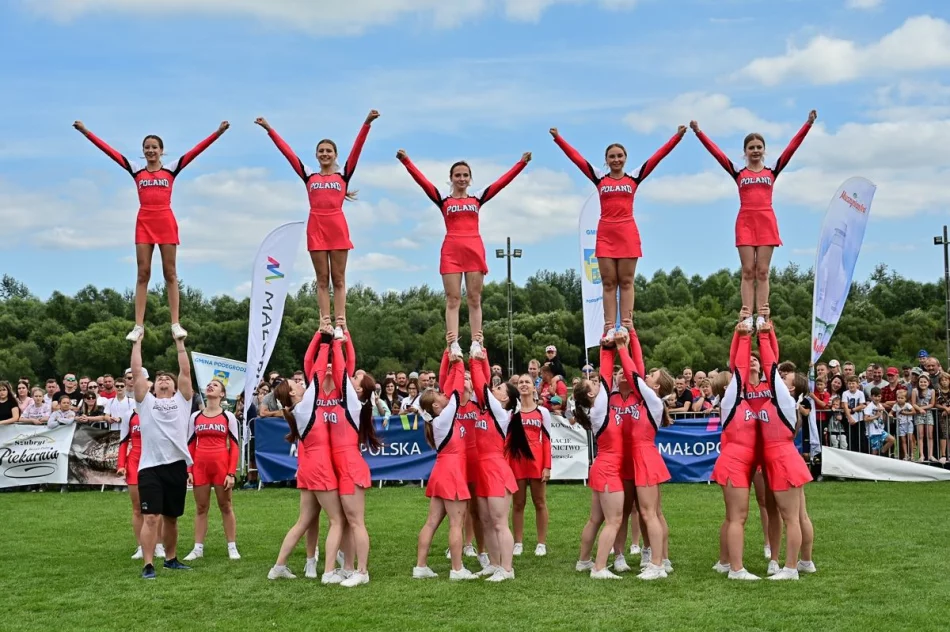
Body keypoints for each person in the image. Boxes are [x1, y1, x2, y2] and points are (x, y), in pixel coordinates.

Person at [73, 120, 229, 342]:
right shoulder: (136, 171)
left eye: (154, 147)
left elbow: (196, 151)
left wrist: (218, 133)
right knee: (143, 272)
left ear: (161, 151)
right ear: (143, 151)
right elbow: (109, 151)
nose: (150, 150)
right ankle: (138, 326)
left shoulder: (171, 169)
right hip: (144, 220)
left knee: (170, 273)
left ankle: (175, 323)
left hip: (165, 220)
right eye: (147, 147)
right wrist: (86, 132)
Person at [397, 148, 531, 357]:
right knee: (453, 299)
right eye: (457, 175)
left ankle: (477, 342)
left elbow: (501, 183)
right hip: (451, 251)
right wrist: (406, 161)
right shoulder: (443, 200)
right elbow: (422, 181)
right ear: (451, 178)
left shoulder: (477, 199)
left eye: (465, 175)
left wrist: (521, 164)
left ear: (470, 179)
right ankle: (453, 344)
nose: (461, 178)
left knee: (474, 299)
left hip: (474, 249)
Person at [550, 126, 685, 333]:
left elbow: (658, 157)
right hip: (605, 233)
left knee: (627, 281)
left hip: (627, 232)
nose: (616, 160)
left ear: (625, 158)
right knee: (609, 282)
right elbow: (577, 159)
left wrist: (676, 137)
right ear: (606, 160)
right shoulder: (599, 178)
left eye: (620, 156)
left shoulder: (634, 177)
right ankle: (610, 325)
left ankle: (627, 323)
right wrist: (559, 139)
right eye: (612, 157)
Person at [255, 111, 379, 330]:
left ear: (335, 155)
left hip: (337, 227)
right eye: (321, 151)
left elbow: (357, 149)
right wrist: (269, 129)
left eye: (328, 151)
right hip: (316, 228)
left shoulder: (343, 175)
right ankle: (325, 322)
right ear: (316, 155)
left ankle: (341, 322)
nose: (325, 154)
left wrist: (367, 123)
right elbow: (288, 153)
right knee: (322, 279)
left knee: (338, 279)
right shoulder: (309, 176)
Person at [689, 111, 816, 323]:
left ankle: (762, 313)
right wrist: (699, 132)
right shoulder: (739, 172)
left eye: (759, 147)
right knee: (748, 270)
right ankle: (747, 312)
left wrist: (808, 124)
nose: (755, 151)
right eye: (751, 148)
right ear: (745, 152)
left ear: (764, 150)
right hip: (746, 222)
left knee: (763, 271)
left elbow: (792, 148)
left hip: (766, 221)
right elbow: (717, 153)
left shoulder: (772, 170)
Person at [269, 327, 347, 584]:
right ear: (292, 392)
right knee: (337, 519)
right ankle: (329, 572)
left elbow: (312, 370)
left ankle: (279, 566)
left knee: (304, 521)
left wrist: (320, 337)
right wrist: (327, 342)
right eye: (296, 384)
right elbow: (314, 370)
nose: (301, 383)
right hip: (319, 467)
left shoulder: (300, 408)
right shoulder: (305, 406)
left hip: (309, 466)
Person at [131, 335, 195, 579]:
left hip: (176, 466)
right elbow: (137, 373)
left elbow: (185, 371)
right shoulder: (145, 402)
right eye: (159, 379)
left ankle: (171, 559)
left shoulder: (183, 401)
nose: (164, 381)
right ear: (153, 387)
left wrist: (180, 343)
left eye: (167, 378)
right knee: (151, 517)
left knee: (171, 518)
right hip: (150, 467)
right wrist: (137, 342)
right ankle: (148, 564)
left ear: (175, 387)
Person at [754, 316, 813, 580]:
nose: (778, 377)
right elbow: (771, 366)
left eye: (784, 378)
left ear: (791, 387)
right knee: (796, 515)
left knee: (792, 517)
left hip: (782, 460)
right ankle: (803, 562)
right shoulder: (780, 400)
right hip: (778, 458)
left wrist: (764, 333)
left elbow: (770, 363)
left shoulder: (786, 402)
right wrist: (768, 331)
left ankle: (791, 568)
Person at [614, 329, 676, 580]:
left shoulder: (651, 399)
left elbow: (632, 372)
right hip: (641, 457)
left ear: (656, 385)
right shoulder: (645, 399)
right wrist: (632, 335)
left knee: (650, 513)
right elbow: (636, 368)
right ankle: (662, 559)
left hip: (645, 457)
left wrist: (621, 347)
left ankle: (657, 564)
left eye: (651, 375)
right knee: (653, 513)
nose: (646, 375)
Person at [468, 332, 530, 581]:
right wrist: (482, 355)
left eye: (500, 388)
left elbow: (480, 383)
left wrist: (476, 358)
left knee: (498, 522)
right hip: (483, 470)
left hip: (495, 470)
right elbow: (483, 385)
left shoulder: (501, 415)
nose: (495, 388)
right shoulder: (487, 410)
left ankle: (507, 568)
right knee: (484, 520)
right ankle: (494, 564)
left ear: (505, 398)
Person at [414, 347, 480, 581]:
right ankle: (457, 568)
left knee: (432, 522)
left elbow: (449, 386)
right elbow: (454, 388)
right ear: (436, 406)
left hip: (442, 471)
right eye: (439, 396)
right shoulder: (445, 415)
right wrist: (458, 360)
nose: (443, 394)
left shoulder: (438, 419)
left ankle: (420, 566)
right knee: (456, 522)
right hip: (451, 472)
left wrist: (449, 360)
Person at [327, 329, 381, 587]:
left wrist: (340, 342)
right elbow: (344, 370)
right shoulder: (350, 400)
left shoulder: (352, 402)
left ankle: (362, 571)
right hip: (342, 463)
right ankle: (348, 567)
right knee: (347, 522)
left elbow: (340, 370)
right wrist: (346, 335)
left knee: (356, 521)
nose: (354, 374)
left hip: (349, 465)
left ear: (360, 390)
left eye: (358, 377)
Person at [710, 310, 761, 580]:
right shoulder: (731, 400)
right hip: (734, 462)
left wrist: (740, 333)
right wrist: (744, 337)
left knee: (732, 517)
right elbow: (738, 366)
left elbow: (737, 366)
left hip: (736, 460)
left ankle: (724, 561)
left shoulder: (736, 399)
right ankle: (737, 569)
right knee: (738, 517)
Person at [571, 334, 625, 579]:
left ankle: (584, 561)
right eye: (592, 384)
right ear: (591, 395)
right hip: (607, 469)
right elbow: (605, 374)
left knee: (595, 519)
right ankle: (599, 567)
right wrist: (606, 349)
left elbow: (604, 378)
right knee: (614, 520)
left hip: (601, 467)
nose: (596, 383)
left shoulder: (594, 409)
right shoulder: (599, 408)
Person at [182, 379, 241, 562]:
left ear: (222, 394)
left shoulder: (228, 417)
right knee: (201, 507)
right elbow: (190, 444)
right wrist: (189, 469)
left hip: (221, 466)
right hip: (200, 466)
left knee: (225, 505)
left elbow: (235, 446)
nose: (210, 386)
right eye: (209, 384)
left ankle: (232, 546)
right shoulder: (195, 416)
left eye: (215, 385)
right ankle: (198, 548)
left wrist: (231, 473)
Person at [506, 374, 553, 558]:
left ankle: (541, 543)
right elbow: (507, 441)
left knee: (540, 502)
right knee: (518, 503)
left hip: (536, 462)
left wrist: (547, 466)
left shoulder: (543, 412)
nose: (524, 385)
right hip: (517, 463)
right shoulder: (512, 413)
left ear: (535, 388)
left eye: (527, 382)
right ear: (517, 388)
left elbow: (547, 440)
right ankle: (518, 542)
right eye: (520, 383)